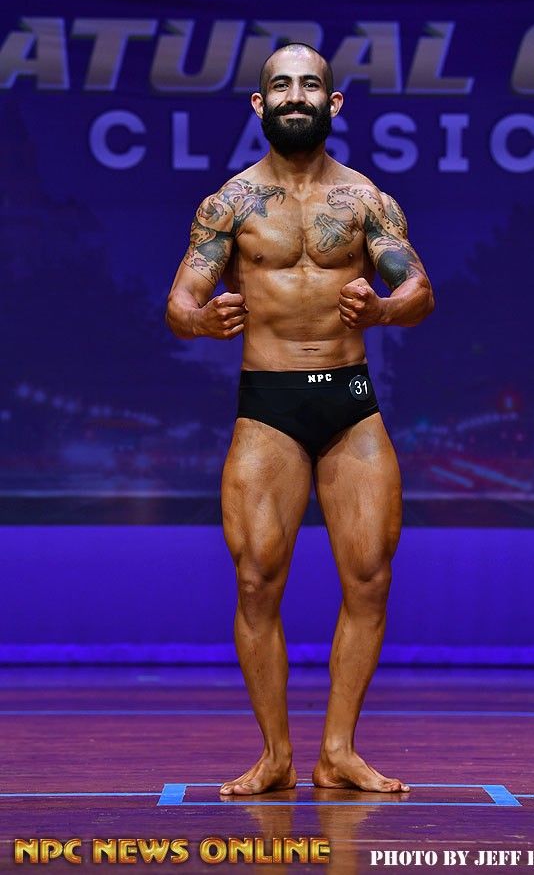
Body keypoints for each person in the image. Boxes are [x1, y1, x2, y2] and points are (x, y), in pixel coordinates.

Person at [165, 43, 434, 796]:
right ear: (260, 104)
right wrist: (199, 322)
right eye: (280, 85)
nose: (294, 96)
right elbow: (180, 300)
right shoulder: (228, 204)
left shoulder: (366, 200)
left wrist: (382, 310)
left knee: (370, 578)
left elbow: (419, 289)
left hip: (349, 403)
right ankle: (276, 755)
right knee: (256, 581)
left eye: (309, 85)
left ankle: (337, 751)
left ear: (332, 102)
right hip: (270, 407)